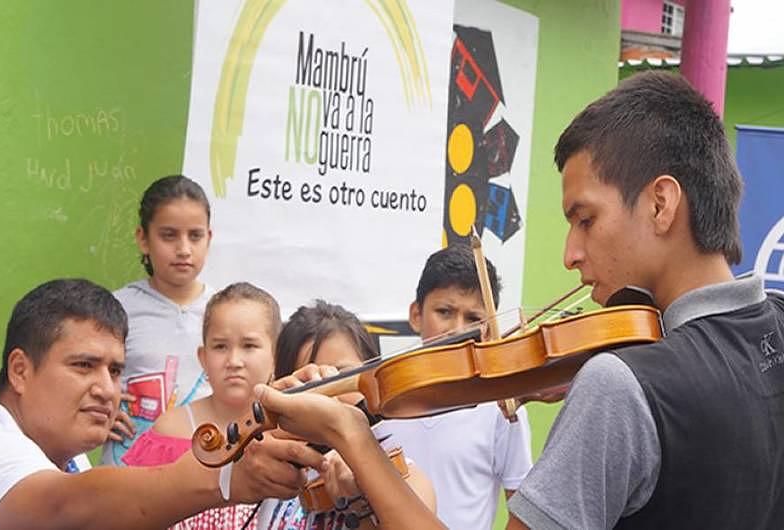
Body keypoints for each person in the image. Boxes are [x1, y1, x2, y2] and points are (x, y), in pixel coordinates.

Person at [259, 71, 784, 529]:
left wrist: (352, 438)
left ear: (660, 204)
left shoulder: (624, 387)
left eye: (585, 219)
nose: (570, 254)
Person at [0, 278, 328, 529]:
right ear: (20, 371)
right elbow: (66, 507)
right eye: (84, 366)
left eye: (116, 370)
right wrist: (226, 475)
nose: (107, 389)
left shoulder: (71, 462)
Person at [380, 244, 533, 530]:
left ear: (488, 329)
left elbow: (522, 506)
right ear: (416, 315)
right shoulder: (383, 397)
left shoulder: (501, 404)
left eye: (474, 319)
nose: (458, 330)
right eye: (445, 312)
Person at [258, 300, 435, 530]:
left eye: (344, 377)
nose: (331, 400)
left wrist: (361, 505)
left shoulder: (407, 479)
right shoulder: (270, 474)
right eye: (310, 385)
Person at [122, 282, 282, 529]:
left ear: (275, 356)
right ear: (203, 357)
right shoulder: (170, 429)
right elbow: (134, 510)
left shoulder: (289, 432)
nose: (234, 361)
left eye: (249, 345)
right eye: (220, 347)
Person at [103, 175, 216, 466]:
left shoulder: (222, 312)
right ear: (143, 239)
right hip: (125, 472)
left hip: (199, 473)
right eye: (169, 235)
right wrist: (100, 414)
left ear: (209, 238)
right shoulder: (116, 309)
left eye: (195, 235)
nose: (183, 249)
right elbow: (87, 379)